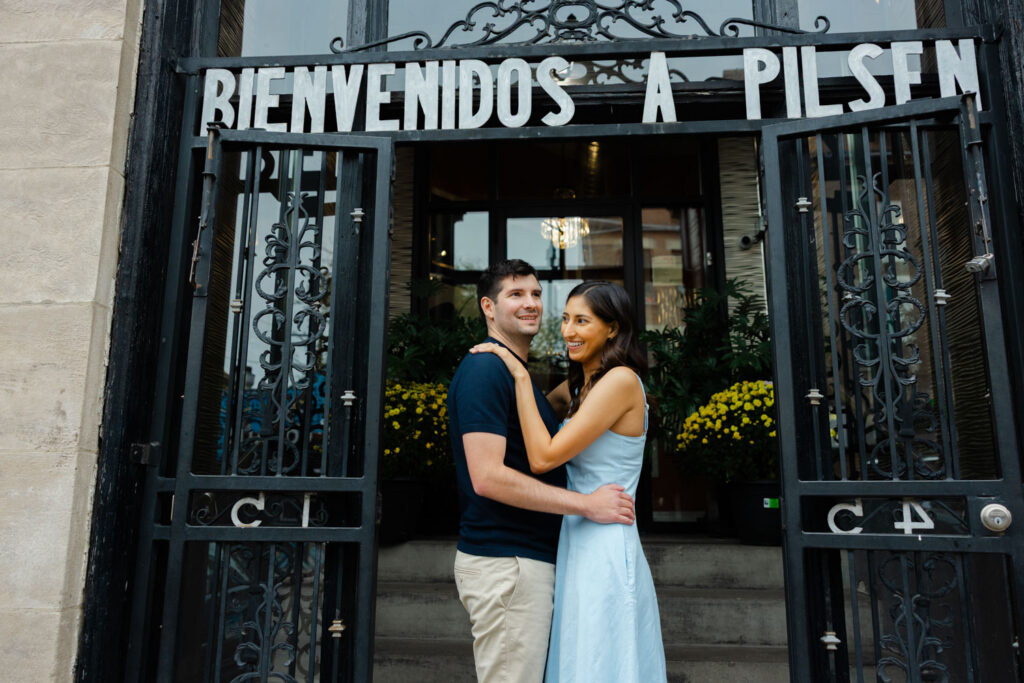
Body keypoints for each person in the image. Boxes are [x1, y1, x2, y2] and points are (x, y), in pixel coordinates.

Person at [449, 260, 637, 683]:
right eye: (515, 295)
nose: (531, 303)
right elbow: (488, 477)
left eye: (535, 294)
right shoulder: (485, 369)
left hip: (531, 560)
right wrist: (586, 505)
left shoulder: (519, 376)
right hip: (507, 564)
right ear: (488, 308)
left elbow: (575, 402)